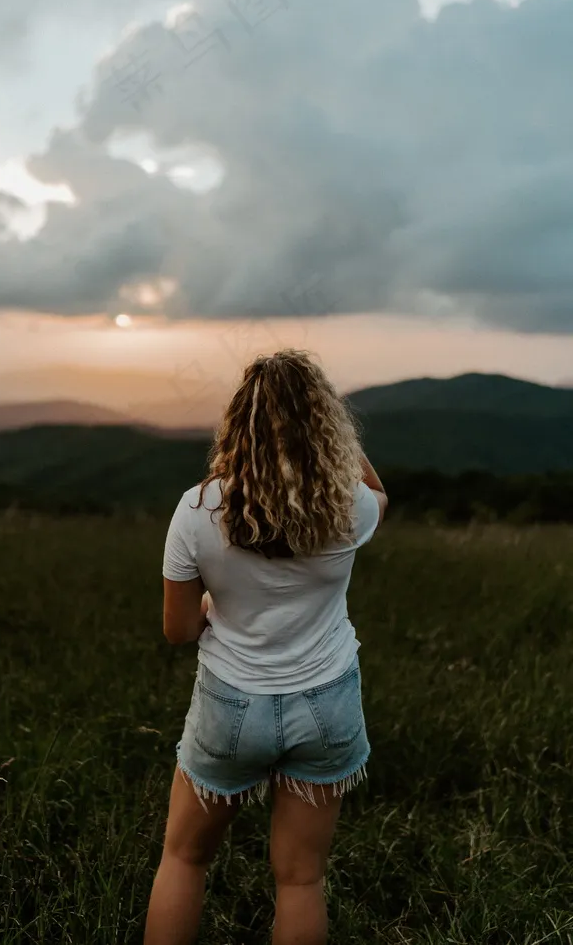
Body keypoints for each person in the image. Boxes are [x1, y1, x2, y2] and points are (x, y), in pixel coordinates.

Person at [144, 348, 388, 945]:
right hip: (327, 704)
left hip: (232, 706)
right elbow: (379, 492)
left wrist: (211, 605)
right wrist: (334, 441)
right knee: (301, 880)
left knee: (184, 858)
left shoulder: (197, 510)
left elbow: (178, 631)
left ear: (238, 423)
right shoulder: (348, 506)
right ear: (324, 424)